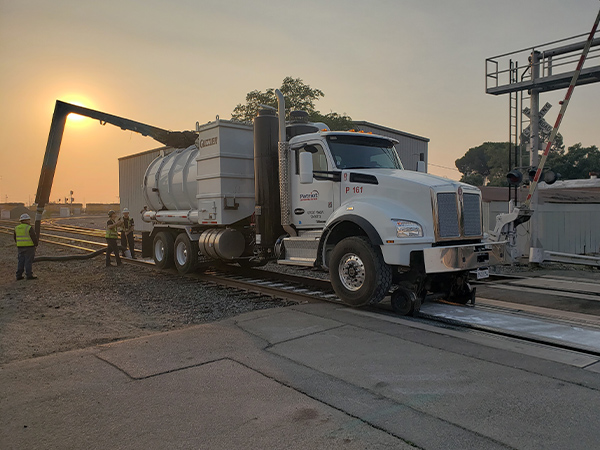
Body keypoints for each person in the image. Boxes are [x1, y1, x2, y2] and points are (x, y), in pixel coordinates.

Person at [14, 213, 39, 280]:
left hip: (20, 247)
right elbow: (34, 237)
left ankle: (18, 275)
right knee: (28, 261)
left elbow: (15, 238)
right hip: (29, 247)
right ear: (27, 220)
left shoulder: (16, 228)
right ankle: (29, 275)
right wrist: (36, 245)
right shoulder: (29, 228)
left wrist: (19, 244)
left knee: (21, 261)